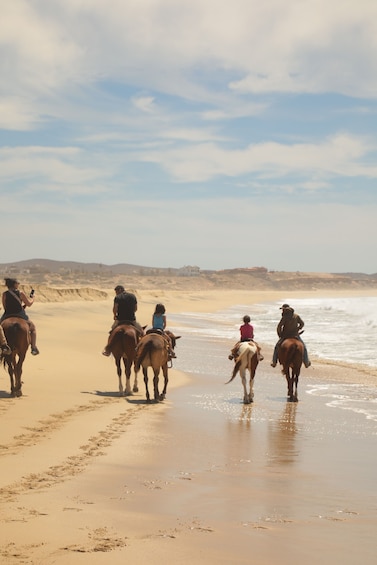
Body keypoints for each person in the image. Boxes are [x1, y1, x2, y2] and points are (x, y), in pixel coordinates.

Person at [1, 278, 39, 355]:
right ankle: (33, 347)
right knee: (33, 328)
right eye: (18, 283)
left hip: (7, 314)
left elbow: (5, 306)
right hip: (20, 314)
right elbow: (29, 304)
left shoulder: (4, 294)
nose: (18, 284)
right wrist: (33, 298)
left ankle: (3, 345)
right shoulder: (20, 293)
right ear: (14, 284)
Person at [102, 285, 143, 356]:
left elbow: (115, 308)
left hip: (120, 319)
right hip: (131, 319)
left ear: (120, 290)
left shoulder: (117, 297)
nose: (116, 293)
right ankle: (140, 350)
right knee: (141, 332)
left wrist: (114, 315)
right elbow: (135, 309)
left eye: (116, 291)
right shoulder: (132, 296)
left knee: (112, 332)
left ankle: (108, 350)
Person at [271, 304, 311, 368]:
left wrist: (280, 335)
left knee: (277, 347)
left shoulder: (285, 317)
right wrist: (298, 329)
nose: (282, 311)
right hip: (295, 335)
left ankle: (274, 361)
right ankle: (306, 362)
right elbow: (302, 324)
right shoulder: (296, 316)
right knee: (304, 347)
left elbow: (279, 327)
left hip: (286, 335)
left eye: (283, 310)